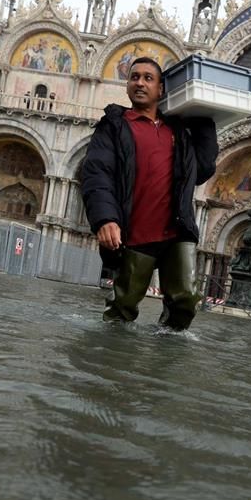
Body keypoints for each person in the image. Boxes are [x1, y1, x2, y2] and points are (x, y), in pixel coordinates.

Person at [81, 57, 217, 331]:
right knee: (124, 306)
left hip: (176, 232)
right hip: (136, 233)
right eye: (134, 77)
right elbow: (97, 173)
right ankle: (107, 357)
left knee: (186, 301)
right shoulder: (114, 126)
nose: (139, 83)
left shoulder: (177, 130)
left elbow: (200, 171)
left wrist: (205, 122)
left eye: (148, 78)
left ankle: (163, 357)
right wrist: (105, 219)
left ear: (161, 90)